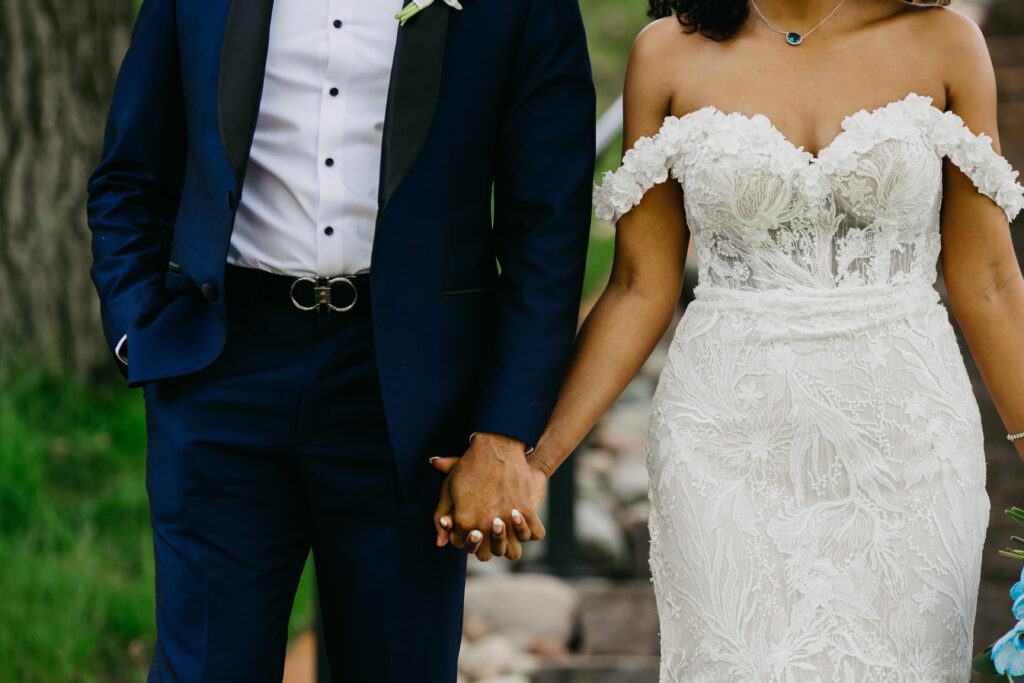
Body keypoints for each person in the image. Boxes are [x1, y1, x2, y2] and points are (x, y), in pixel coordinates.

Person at [437, 0, 1024, 678]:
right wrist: (535, 459)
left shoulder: (946, 42)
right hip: (726, 450)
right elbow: (637, 285)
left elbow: (989, 282)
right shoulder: (667, 53)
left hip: (910, 449)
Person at [86, 0, 594, 680]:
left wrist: (502, 431)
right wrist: (137, 334)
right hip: (222, 366)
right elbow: (128, 177)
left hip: (407, 393)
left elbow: (548, 229)